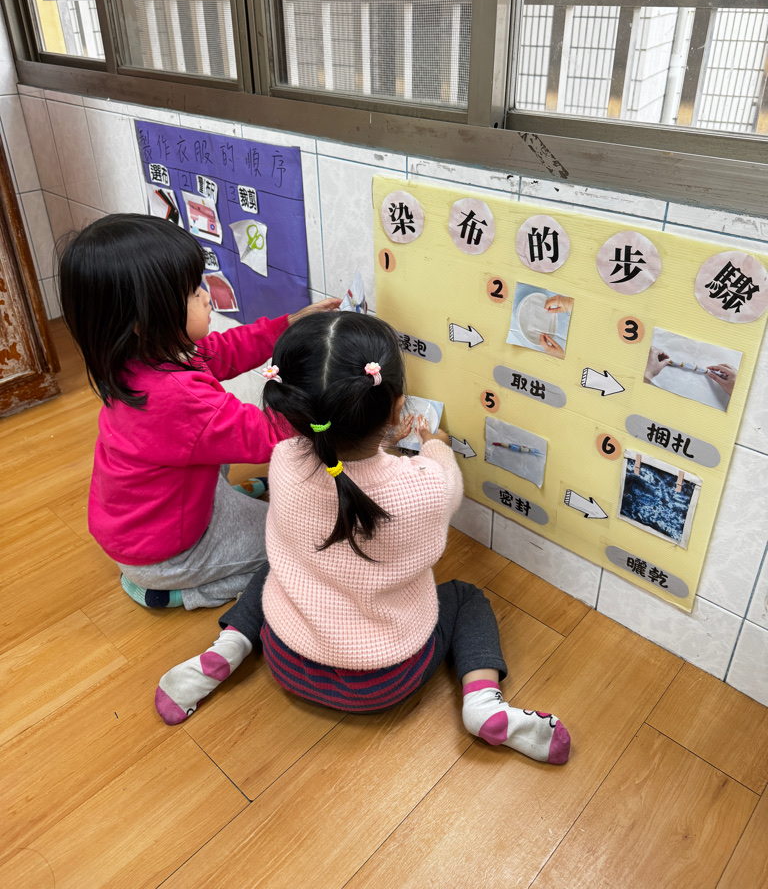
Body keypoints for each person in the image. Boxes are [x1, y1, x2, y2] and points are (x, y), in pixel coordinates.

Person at [154, 311, 571, 765]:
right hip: (386, 681)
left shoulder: (283, 458)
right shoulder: (426, 485)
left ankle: (230, 646)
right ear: (396, 408)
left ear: (293, 406)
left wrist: (379, 441)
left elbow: (343, 471)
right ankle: (483, 703)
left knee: (277, 564)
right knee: (467, 599)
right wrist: (435, 443)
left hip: (286, 660)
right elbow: (435, 476)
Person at [59, 214, 339, 609]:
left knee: (214, 441)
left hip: (144, 519)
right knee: (296, 545)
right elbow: (266, 436)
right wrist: (334, 407)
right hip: (166, 554)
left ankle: (218, 507)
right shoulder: (175, 398)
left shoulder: (142, 357)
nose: (207, 296)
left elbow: (224, 351)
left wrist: (289, 326)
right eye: (193, 292)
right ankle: (170, 592)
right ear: (143, 320)